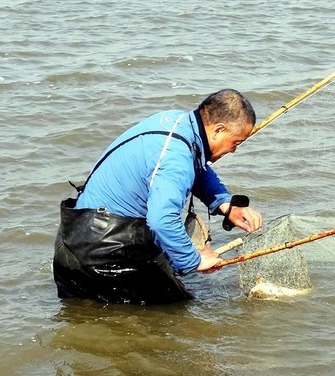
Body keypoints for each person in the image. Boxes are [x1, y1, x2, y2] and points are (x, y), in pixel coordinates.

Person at [53, 89, 263, 305]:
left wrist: (226, 205)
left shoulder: (177, 122)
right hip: (105, 256)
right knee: (175, 317)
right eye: (236, 142)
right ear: (219, 130)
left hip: (74, 240)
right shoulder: (176, 157)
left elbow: (196, 167)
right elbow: (162, 220)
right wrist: (194, 260)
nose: (234, 150)